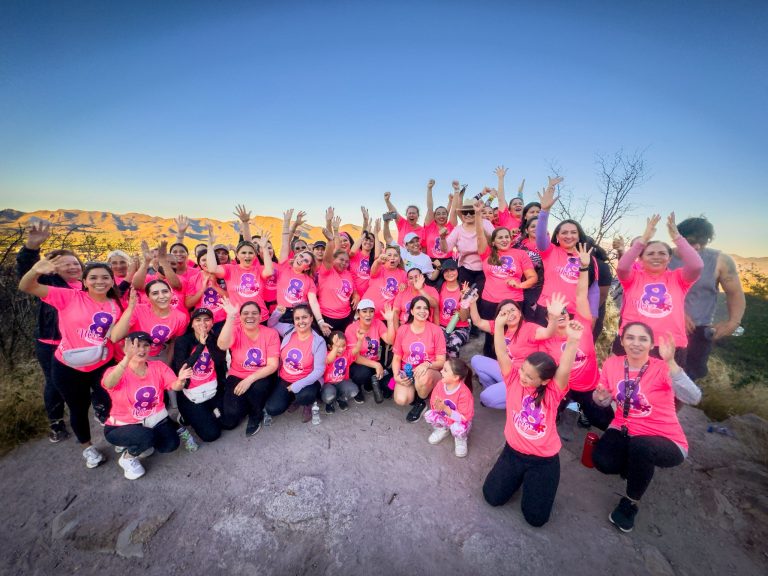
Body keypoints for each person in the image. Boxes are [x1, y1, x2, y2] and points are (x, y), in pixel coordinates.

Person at [592, 323, 702, 532]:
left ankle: (630, 503)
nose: (636, 343)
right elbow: (602, 397)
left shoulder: (662, 367)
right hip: (624, 428)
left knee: (641, 447)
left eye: (643, 339)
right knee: (603, 462)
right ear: (622, 341)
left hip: (664, 438)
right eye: (630, 338)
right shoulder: (612, 364)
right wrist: (601, 398)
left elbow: (693, 397)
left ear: (652, 345)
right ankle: (638, 467)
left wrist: (671, 362)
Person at [19, 258, 123, 468]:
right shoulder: (68, 297)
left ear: (112, 281)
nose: (99, 281)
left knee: (112, 402)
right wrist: (34, 271)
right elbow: (26, 286)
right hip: (68, 366)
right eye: (93, 277)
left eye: (105, 277)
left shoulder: (116, 305)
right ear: (84, 281)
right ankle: (88, 447)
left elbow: (115, 336)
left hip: (102, 364)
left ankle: (118, 436)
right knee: (78, 408)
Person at [482, 313, 584, 527]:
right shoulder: (513, 379)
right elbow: (501, 352)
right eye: (523, 370)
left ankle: (533, 480)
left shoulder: (553, 393)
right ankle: (516, 477)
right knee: (491, 497)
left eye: (529, 376)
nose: (522, 376)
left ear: (545, 381)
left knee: (536, 519)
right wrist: (499, 325)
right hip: (513, 452)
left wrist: (573, 340)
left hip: (542, 461)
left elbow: (564, 369)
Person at [15, 220, 83, 442]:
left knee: (81, 379)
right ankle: (56, 422)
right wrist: (31, 248)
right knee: (54, 382)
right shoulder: (50, 284)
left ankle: (84, 414)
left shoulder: (88, 284)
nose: (73, 267)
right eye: (66, 265)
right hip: (51, 342)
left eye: (75, 263)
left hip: (79, 343)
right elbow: (27, 273)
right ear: (55, 268)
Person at [614, 214, 703, 365]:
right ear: (641, 259)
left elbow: (696, 266)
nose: (656, 256)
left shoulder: (678, 278)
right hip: (633, 342)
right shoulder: (633, 278)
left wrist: (677, 238)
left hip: (669, 346)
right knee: (626, 380)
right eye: (650, 253)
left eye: (662, 253)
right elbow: (622, 266)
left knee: (667, 381)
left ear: (669, 258)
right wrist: (644, 239)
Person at [102, 333, 192, 480]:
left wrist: (181, 380)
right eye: (136, 346)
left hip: (153, 420)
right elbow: (109, 383)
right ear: (126, 348)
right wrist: (126, 359)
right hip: (121, 426)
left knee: (170, 445)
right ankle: (128, 457)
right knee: (146, 437)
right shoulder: (116, 370)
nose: (142, 350)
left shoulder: (158, 367)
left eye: (146, 345)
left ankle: (142, 442)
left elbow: (175, 385)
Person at [669, 217, 745, 380]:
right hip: (663, 327)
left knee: (688, 379)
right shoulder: (663, 257)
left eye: (703, 242)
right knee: (655, 375)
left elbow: (735, 293)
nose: (697, 246)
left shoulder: (720, 260)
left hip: (698, 331)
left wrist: (733, 322)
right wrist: (676, 312)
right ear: (678, 238)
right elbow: (647, 289)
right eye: (691, 241)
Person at [468, 294, 563, 409]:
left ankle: (516, 400)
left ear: (520, 312)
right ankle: (501, 391)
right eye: (505, 312)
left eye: (513, 310)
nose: (510, 314)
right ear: (500, 317)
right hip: (506, 369)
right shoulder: (500, 327)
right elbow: (478, 322)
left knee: (485, 398)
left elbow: (548, 333)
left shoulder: (529, 328)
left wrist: (553, 318)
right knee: (476, 360)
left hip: (521, 376)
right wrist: (472, 303)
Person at [476, 217, 537, 358]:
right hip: (490, 302)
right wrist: (478, 214)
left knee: (513, 333)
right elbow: (479, 236)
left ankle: (511, 362)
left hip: (513, 302)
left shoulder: (520, 254)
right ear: (493, 242)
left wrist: (520, 284)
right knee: (491, 336)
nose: (504, 240)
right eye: (500, 237)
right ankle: (490, 362)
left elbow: (533, 277)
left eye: (506, 237)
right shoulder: (487, 253)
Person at [217, 299, 280, 435]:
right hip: (237, 374)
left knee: (257, 390)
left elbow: (273, 365)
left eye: (254, 313)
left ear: (260, 316)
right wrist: (230, 317)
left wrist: (249, 379)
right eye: (245, 313)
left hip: (262, 375)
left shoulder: (271, 333)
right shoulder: (236, 330)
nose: (250, 316)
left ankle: (256, 415)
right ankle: (248, 402)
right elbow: (222, 345)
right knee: (231, 416)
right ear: (240, 317)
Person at [172, 307, 227, 443]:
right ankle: (186, 416)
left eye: (207, 320)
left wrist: (208, 341)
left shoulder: (214, 338)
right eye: (198, 320)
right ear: (192, 324)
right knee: (211, 435)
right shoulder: (183, 341)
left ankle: (206, 412)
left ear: (212, 323)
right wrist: (201, 346)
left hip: (212, 388)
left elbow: (220, 360)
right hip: (191, 394)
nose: (202, 323)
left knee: (228, 422)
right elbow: (183, 369)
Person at [265, 304, 327, 423]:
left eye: (304, 317)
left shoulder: (319, 341)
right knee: (272, 409)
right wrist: (277, 312)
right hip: (285, 378)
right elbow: (271, 324)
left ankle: (307, 403)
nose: (301, 321)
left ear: (311, 318)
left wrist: (297, 385)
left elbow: (319, 370)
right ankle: (294, 398)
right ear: (293, 320)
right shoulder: (288, 330)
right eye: (297, 318)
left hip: (308, 380)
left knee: (304, 396)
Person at [391, 296, 447, 423]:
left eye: (425, 308)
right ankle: (416, 390)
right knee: (401, 399)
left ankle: (421, 401)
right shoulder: (403, 329)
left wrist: (427, 364)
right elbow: (397, 357)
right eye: (418, 308)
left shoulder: (436, 330)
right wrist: (396, 375)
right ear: (411, 311)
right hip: (408, 372)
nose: (422, 311)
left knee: (422, 378)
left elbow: (441, 362)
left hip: (430, 372)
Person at [205, 226, 274, 324]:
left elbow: (270, 271)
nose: (247, 255)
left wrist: (265, 248)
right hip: (237, 319)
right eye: (243, 253)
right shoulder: (230, 269)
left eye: (250, 253)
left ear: (255, 255)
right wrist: (210, 246)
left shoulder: (259, 270)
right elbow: (212, 268)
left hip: (259, 318)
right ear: (237, 255)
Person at [111, 280, 189, 363]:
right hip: (128, 356)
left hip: (154, 357)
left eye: (165, 291)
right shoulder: (138, 310)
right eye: (155, 293)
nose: (161, 296)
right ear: (148, 298)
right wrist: (130, 308)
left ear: (171, 294)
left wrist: (167, 364)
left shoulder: (181, 317)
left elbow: (173, 342)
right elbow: (115, 338)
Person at [344, 299, 396, 404]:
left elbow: (390, 341)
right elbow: (355, 357)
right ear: (358, 313)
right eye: (364, 311)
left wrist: (390, 321)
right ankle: (358, 387)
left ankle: (370, 384)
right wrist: (376, 365)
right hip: (359, 364)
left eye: (371, 311)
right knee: (362, 374)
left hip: (375, 360)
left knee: (391, 384)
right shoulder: (351, 329)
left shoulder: (378, 323)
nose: (368, 315)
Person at [441, 196, 494, 298]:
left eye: (471, 211)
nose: (468, 214)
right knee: (466, 297)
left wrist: (481, 228)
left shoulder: (486, 224)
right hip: (466, 269)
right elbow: (445, 249)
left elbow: (494, 242)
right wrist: (442, 238)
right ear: (462, 214)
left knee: (481, 297)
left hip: (485, 269)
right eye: (465, 212)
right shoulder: (458, 230)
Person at [424, 358, 475, 458]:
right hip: (445, 417)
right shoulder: (440, 384)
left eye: (445, 370)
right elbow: (434, 402)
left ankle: (461, 439)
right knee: (429, 415)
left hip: (458, 421)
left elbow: (464, 418)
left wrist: (445, 409)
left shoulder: (464, 393)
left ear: (455, 377)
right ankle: (443, 429)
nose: (441, 371)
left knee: (458, 428)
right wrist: (437, 407)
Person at [316, 209, 357, 332]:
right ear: (333, 259)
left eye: (346, 261)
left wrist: (356, 295)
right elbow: (328, 257)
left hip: (346, 317)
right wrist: (330, 240)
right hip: (328, 318)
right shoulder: (327, 271)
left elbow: (353, 289)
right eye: (341, 260)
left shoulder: (347, 274)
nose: (344, 263)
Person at [361, 244, 407, 322]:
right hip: (366, 312)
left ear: (399, 260)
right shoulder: (380, 267)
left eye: (395, 255)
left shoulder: (403, 274)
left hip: (385, 317)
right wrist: (378, 261)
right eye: (389, 255)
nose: (392, 257)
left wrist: (405, 286)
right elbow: (373, 270)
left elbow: (406, 292)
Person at [437, 260, 471, 358]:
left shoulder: (465, 289)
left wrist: (464, 299)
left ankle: (452, 367)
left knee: (452, 344)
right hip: (442, 325)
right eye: (446, 271)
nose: (449, 273)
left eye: (452, 270)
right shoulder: (439, 287)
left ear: (457, 271)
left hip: (461, 327)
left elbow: (464, 318)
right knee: (438, 341)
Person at [321, 331, 362, 413]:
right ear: (330, 347)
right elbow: (329, 360)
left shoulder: (346, 354)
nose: (341, 349)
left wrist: (360, 340)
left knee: (354, 390)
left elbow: (356, 350)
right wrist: (335, 348)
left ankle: (340, 399)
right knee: (329, 395)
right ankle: (329, 403)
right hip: (328, 384)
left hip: (341, 382)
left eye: (343, 346)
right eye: (337, 346)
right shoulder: (327, 355)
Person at [513, 216, 545, 321]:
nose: (536, 229)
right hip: (519, 288)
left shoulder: (549, 247)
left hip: (540, 289)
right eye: (533, 226)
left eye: (540, 226)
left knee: (535, 319)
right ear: (527, 230)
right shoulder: (518, 246)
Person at [422, 179, 455, 264]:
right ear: (434, 216)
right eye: (438, 214)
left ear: (447, 216)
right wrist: (429, 189)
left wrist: (452, 200)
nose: (441, 216)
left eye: (444, 214)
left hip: (448, 262)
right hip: (431, 262)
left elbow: (453, 211)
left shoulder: (450, 226)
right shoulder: (430, 226)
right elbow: (430, 208)